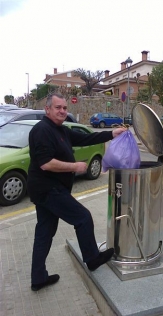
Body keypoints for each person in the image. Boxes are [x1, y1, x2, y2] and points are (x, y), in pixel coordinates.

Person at [27, 93, 126, 291]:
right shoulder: (42, 130)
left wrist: (111, 134)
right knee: (83, 217)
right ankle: (92, 258)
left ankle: (38, 278)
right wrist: (75, 167)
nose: (63, 111)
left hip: (49, 190)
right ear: (47, 109)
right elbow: (46, 164)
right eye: (58, 107)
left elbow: (85, 137)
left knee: (45, 233)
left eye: (64, 108)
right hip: (48, 190)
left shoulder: (60, 130)